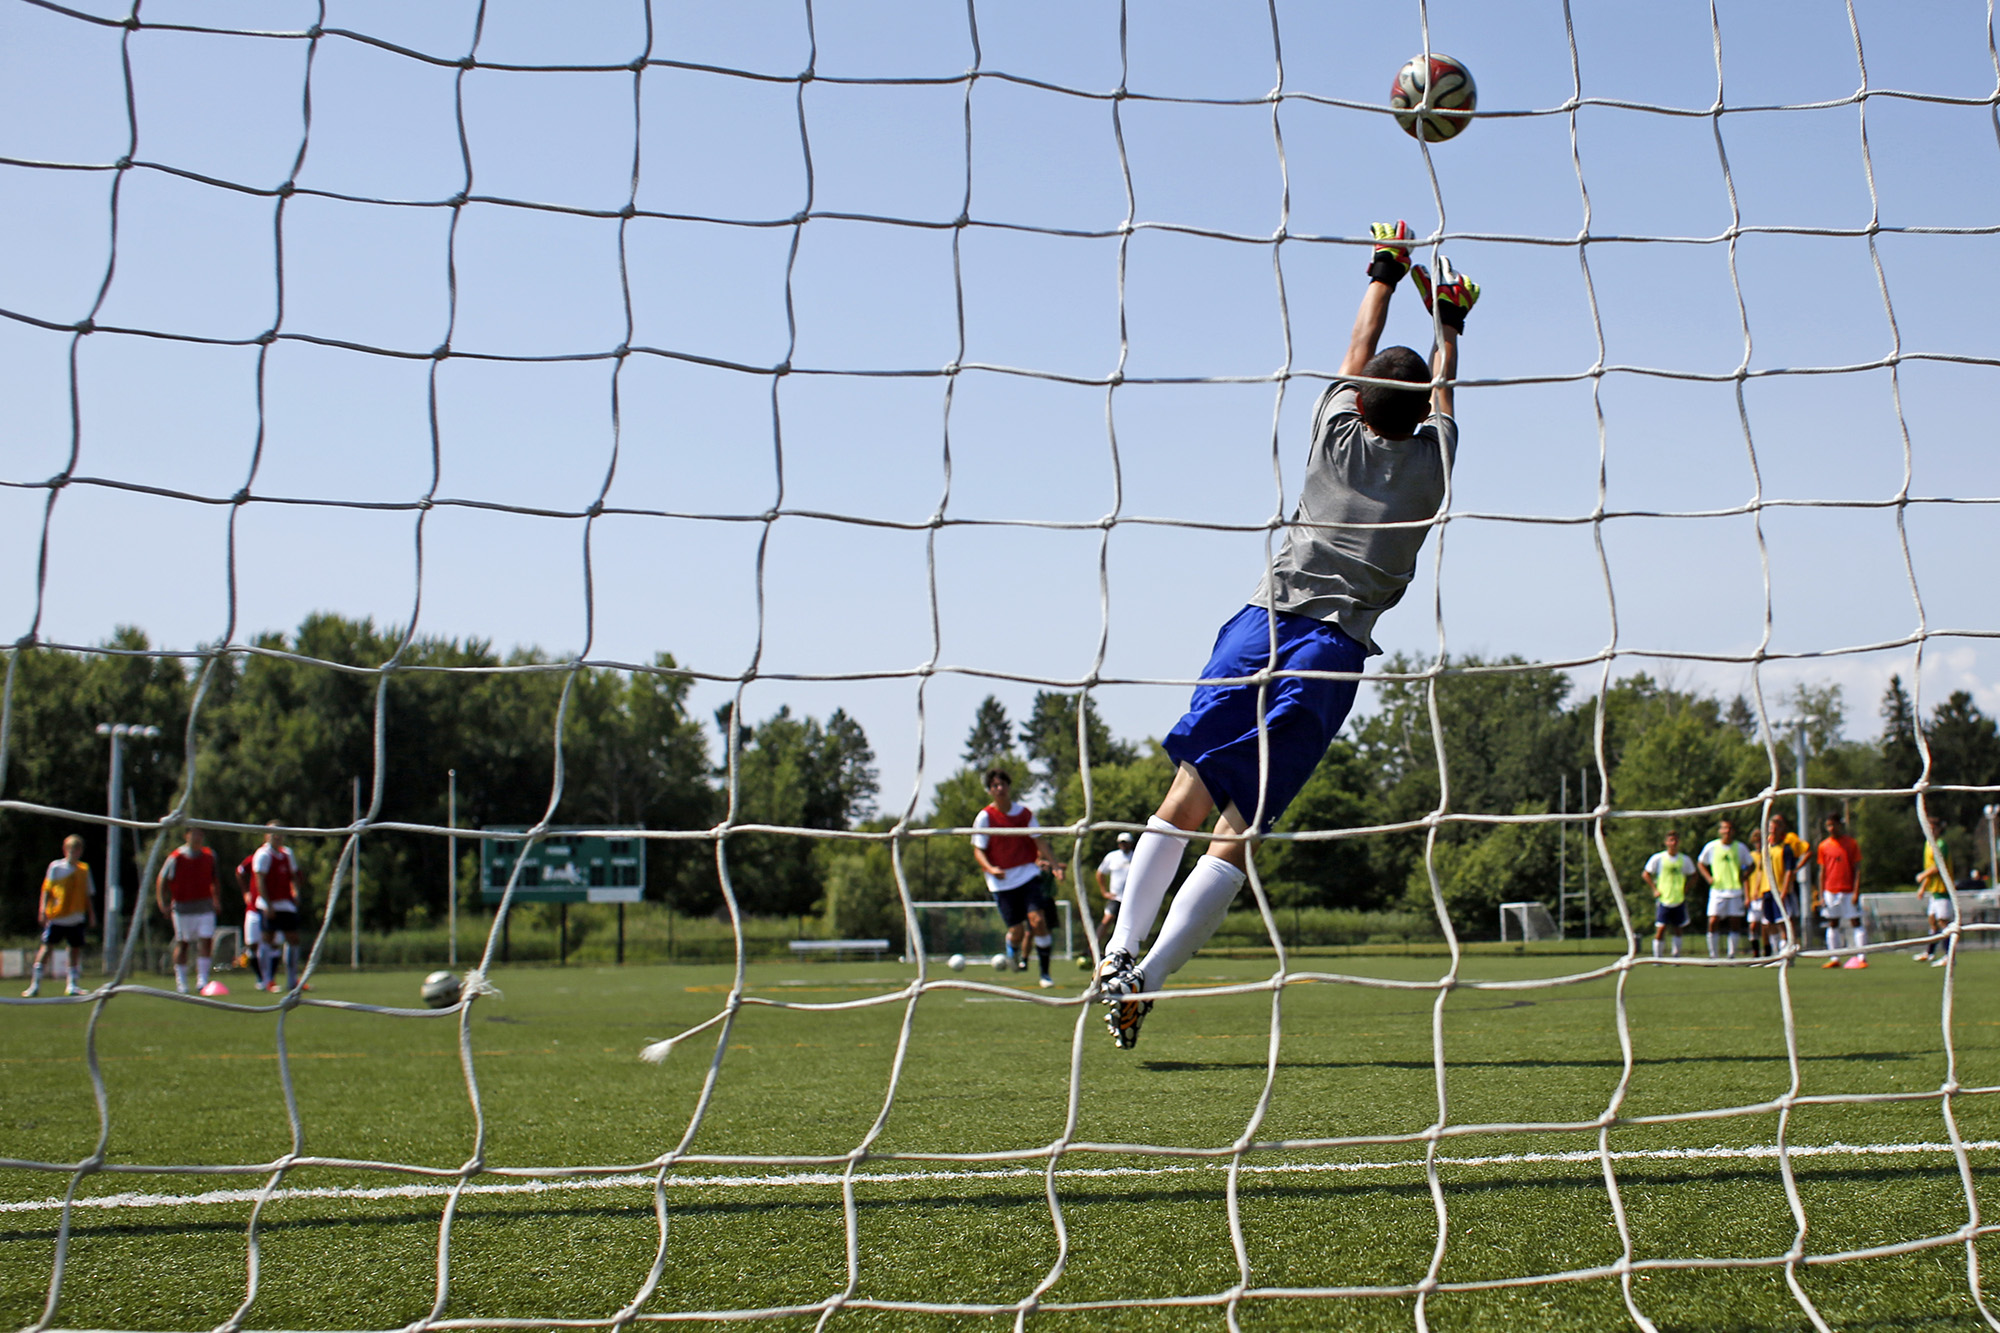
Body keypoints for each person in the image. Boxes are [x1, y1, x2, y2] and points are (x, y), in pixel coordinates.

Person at [1095, 223, 1476, 1049]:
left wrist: (1389, 267)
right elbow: (1441, 395)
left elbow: (1359, 342)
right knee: (1240, 826)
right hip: (1332, 653)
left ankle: (1117, 951)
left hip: (1260, 627)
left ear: (1362, 401)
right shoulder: (1434, 462)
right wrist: (1450, 322)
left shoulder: (1333, 435)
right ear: (1414, 417)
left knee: (1186, 796)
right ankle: (1146, 979)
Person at [970, 770, 1063, 989]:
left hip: (1028, 874)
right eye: (994, 785)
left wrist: (1056, 865)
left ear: (1009, 787)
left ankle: (1045, 973)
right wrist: (991, 869)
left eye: (1002, 784)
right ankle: (1011, 947)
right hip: (1001, 881)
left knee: (1038, 921)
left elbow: (1040, 842)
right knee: (1017, 931)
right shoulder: (985, 817)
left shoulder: (1025, 814)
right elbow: (978, 851)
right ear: (990, 790)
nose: (999, 789)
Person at [26, 835, 95, 997]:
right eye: (71, 849)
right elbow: (47, 890)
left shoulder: (84, 870)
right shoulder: (56, 867)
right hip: (57, 916)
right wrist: (42, 910)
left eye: (77, 850)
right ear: (65, 850)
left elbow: (87, 894)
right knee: (47, 948)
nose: (74, 853)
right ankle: (35, 984)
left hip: (76, 917)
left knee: (74, 950)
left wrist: (91, 915)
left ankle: (72, 984)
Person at [156, 826, 221, 995]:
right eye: (193, 834)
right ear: (186, 835)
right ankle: (182, 982)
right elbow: (162, 880)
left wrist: (216, 900)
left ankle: (202, 981)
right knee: (183, 943)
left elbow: (215, 880)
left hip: (205, 906)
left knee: (206, 940)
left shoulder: (209, 855)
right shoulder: (176, 857)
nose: (197, 837)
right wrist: (162, 902)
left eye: (200, 833)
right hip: (183, 907)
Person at [253, 821, 308, 992]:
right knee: (268, 939)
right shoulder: (263, 854)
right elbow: (259, 880)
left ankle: (292, 979)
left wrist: (295, 892)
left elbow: (293, 876)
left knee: (293, 938)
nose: (277, 836)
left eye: (280, 833)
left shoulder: (287, 853)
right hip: (269, 904)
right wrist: (268, 905)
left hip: (285, 903)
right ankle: (267, 980)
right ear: (266, 835)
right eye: (273, 833)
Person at [1815, 812, 1867, 969]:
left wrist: (1856, 891)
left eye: (1833, 825)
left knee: (1855, 922)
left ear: (1839, 824)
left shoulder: (1851, 843)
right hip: (1830, 891)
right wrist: (1821, 892)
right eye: (1828, 825)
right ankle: (1834, 957)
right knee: (1833, 923)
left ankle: (1861, 957)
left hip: (1848, 890)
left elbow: (1857, 869)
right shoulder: (1824, 846)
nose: (1830, 828)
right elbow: (1822, 871)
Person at [1697, 818, 1752, 960]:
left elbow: (1751, 864)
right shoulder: (1712, 847)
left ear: (1733, 831)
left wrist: (1743, 877)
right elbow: (1701, 863)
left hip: (1734, 890)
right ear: (1720, 831)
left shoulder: (1740, 847)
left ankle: (1731, 954)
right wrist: (1709, 878)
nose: (1726, 831)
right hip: (1718, 890)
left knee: (1735, 922)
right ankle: (1713, 954)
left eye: (1729, 828)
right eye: (1724, 828)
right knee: (1713, 920)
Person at [1644, 830, 1695, 959]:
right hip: (1664, 899)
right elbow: (1646, 874)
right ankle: (1658, 957)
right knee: (1661, 928)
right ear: (1666, 842)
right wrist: (1654, 889)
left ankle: (1676, 956)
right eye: (1671, 840)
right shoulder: (1659, 858)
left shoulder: (1684, 859)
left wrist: (1686, 888)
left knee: (1678, 929)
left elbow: (1694, 875)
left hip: (1678, 899)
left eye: (1676, 840)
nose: (1673, 843)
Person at [1914, 814, 1953, 966]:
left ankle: (1949, 956)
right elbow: (1929, 867)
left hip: (1943, 889)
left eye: (1932, 828)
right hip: (1934, 891)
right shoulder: (1928, 844)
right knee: (1932, 921)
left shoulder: (1941, 844)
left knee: (1944, 923)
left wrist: (1922, 876)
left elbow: (1938, 868)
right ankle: (1929, 953)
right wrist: (1923, 887)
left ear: (1937, 830)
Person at [234, 847, 267, 988]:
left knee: (271, 943)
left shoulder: (284, 856)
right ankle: (261, 978)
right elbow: (240, 871)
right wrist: (245, 892)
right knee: (252, 944)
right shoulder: (256, 857)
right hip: (254, 908)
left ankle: (269, 978)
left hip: (272, 909)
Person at [1095, 832, 1134, 941]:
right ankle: (1092, 947)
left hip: (1131, 897)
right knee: (1107, 919)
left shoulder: (1136, 856)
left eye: (1126, 843)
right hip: (1116, 897)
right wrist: (1104, 891)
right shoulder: (1112, 856)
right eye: (1121, 843)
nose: (1123, 845)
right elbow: (1100, 873)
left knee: (1128, 925)